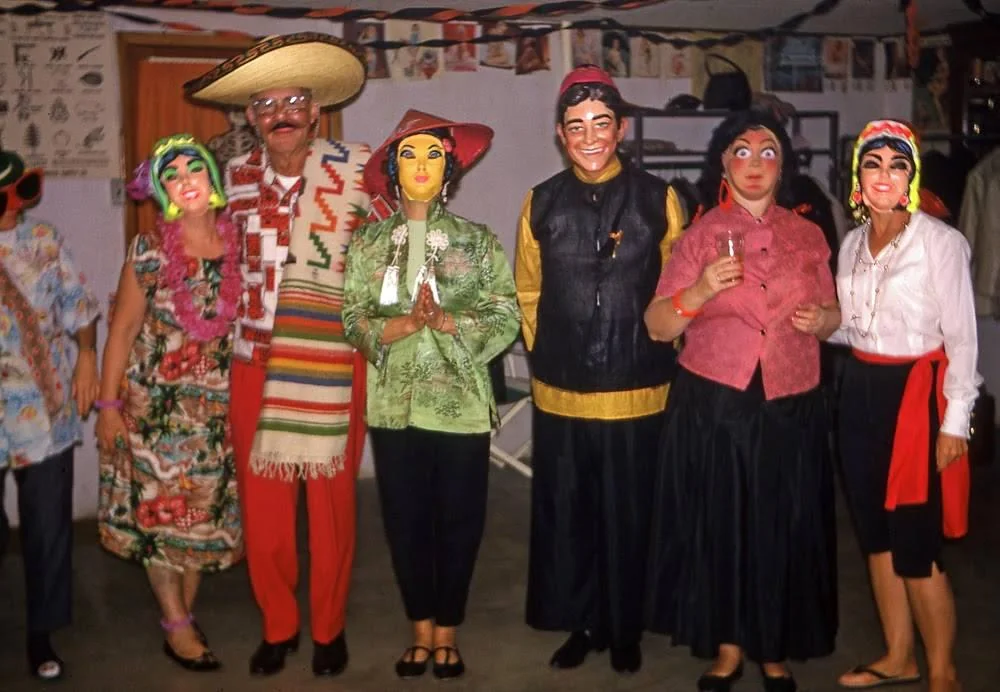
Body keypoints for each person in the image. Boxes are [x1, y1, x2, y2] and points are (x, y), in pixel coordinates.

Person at [184, 33, 371, 678]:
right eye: (265, 104)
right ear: (252, 117)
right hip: (252, 361)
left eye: (293, 100)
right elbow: (196, 260)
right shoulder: (227, 182)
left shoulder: (357, 177)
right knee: (264, 513)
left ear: (315, 109)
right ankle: (278, 626)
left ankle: (328, 628)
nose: (280, 114)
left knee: (331, 506)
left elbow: (386, 266)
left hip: (332, 360)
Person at [644, 108, 839, 692]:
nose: (755, 164)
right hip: (716, 400)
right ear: (724, 164)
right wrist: (700, 290)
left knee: (779, 522)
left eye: (768, 152)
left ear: (784, 166)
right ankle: (729, 645)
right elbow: (656, 324)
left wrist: (824, 318)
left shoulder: (808, 234)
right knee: (723, 521)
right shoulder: (698, 235)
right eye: (742, 152)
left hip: (789, 398)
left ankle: (772, 647)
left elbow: (835, 316)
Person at [516, 65, 685, 674]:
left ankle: (626, 625)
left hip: (639, 388)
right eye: (576, 125)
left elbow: (677, 292)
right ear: (561, 134)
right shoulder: (540, 203)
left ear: (621, 129)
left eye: (602, 124)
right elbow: (528, 293)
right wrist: (548, 358)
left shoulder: (659, 200)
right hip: (561, 392)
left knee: (631, 511)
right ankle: (582, 621)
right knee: (571, 513)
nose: (590, 137)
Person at [344, 109, 520, 681]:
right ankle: (419, 631)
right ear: (395, 170)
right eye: (411, 156)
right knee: (405, 521)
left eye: (433, 156)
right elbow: (352, 317)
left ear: (450, 170)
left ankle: (449, 631)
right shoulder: (368, 243)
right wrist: (395, 327)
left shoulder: (477, 240)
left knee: (459, 521)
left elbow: (506, 314)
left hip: (461, 404)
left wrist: (447, 323)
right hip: (393, 405)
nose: (422, 166)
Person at [830, 120, 977, 692]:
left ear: (911, 177)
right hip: (861, 394)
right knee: (876, 536)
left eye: (897, 165)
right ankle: (898, 656)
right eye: (873, 164)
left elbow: (962, 339)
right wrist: (817, 325)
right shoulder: (850, 243)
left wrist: (954, 423)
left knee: (917, 544)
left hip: (917, 398)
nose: (884, 175)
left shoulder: (940, 243)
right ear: (858, 178)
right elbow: (855, 328)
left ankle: (942, 671)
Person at [95, 134, 242, 672]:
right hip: (153, 410)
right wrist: (109, 405)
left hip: (219, 413)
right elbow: (123, 329)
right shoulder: (149, 250)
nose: (186, 180)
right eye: (173, 175)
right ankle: (177, 625)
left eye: (194, 169)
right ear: (164, 192)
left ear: (212, 179)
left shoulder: (241, 246)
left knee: (200, 520)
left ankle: (184, 614)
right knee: (161, 523)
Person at [0, 149, 100, 680]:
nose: (13, 209)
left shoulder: (44, 241)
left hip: (44, 408)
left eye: (22, 194)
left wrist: (87, 356)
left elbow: (79, 307)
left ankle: (41, 633)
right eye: (3, 198)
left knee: (46, 528)